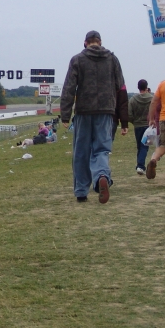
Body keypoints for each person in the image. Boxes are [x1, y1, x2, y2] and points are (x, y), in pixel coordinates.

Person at [60, 30, 127, 204]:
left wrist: (65, 115)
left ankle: (81, 191)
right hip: (106, 110)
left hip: (83, 111)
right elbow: (121, 87)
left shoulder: (77, 60)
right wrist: (123, 118)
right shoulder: (112, 59)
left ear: (85, 43)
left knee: (81, 152)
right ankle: (102, 176)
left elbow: (69, 88)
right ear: (100, 42)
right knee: (101, 149)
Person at [128, 79, 154, 175]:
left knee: (140, 146)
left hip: (138, 126)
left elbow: (129, 114)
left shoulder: (133, 99)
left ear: (138, 87)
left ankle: (139, 165)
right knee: (144, 146)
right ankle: (140, 165)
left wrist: (134, 121)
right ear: (146, 87)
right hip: (149, 126)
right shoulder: (152, 99)